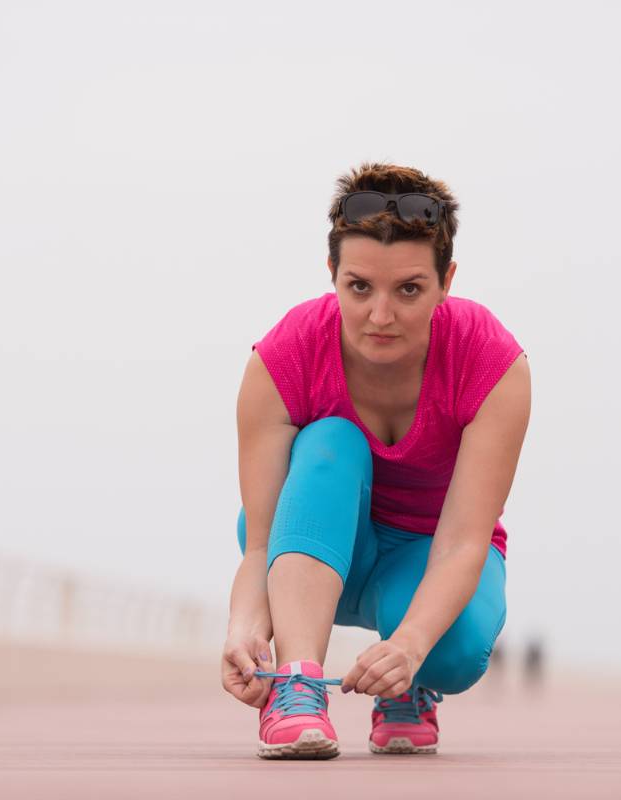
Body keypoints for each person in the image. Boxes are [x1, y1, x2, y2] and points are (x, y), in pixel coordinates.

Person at [222, 162, 531, 759]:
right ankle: (297, 688)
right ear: (332, 273)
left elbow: (463, 543)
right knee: (330, 439)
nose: (380, 316)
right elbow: (260, 545)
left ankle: (407, 684)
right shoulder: (285, 355)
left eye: (409, 290)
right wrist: (243, 630)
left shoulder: (491, 360)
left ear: (446, 281)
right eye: (359, 287)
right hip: (319, 540)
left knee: (454, 653)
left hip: (431, 554)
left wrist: (411, 647)